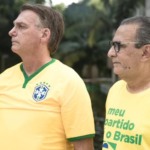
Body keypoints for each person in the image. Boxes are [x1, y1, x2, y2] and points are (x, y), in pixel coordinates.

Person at [0, 3, 95, 150]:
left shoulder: (69, 81)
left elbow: (84, 147)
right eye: (14, 26)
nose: (12, 32)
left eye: (21, 26)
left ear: (44, 34)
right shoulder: (4, 78)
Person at [102, 16, 150, 150]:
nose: (110, 53)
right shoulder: (115, 90)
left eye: (118, 46)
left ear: (145, 52)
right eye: (112, 46)